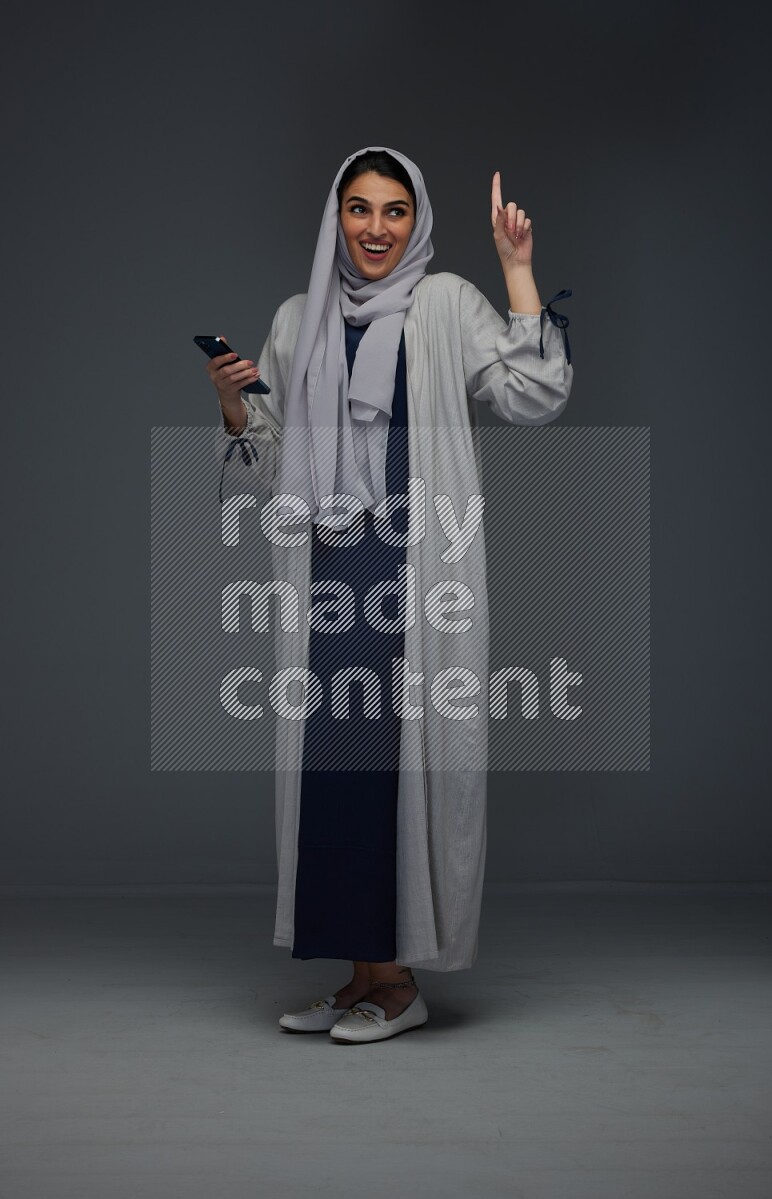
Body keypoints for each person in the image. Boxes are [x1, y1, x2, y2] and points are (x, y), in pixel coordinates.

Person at [207, 146, 573, 1043]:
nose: (376, 227)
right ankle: (359, 974)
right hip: (329, 574)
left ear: (418, 222)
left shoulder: (444, 305)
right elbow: (267, 461)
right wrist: (231, 403)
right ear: (336, 216)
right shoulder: (301, 319)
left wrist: (518, 272)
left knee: (395, 770)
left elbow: (535, 393)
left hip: (414, 576)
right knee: (337, 773)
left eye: (395, 211)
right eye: (360, 208)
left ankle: (399, 984)